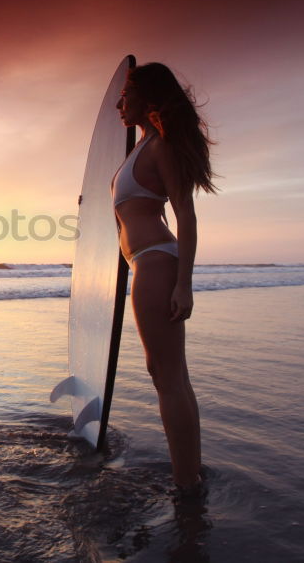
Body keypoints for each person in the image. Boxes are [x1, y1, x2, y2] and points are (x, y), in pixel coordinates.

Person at [112, 62, 217, 493]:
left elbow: (186, 214)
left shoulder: (162, 148)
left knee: (168, 377)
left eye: (126, 96)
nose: (120, 104)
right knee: (169, 375)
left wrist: (184, 284)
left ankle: (187, 485)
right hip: (144, 262)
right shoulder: (142, 147)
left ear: (147, 98)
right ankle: (189, 476)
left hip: (157, 262)